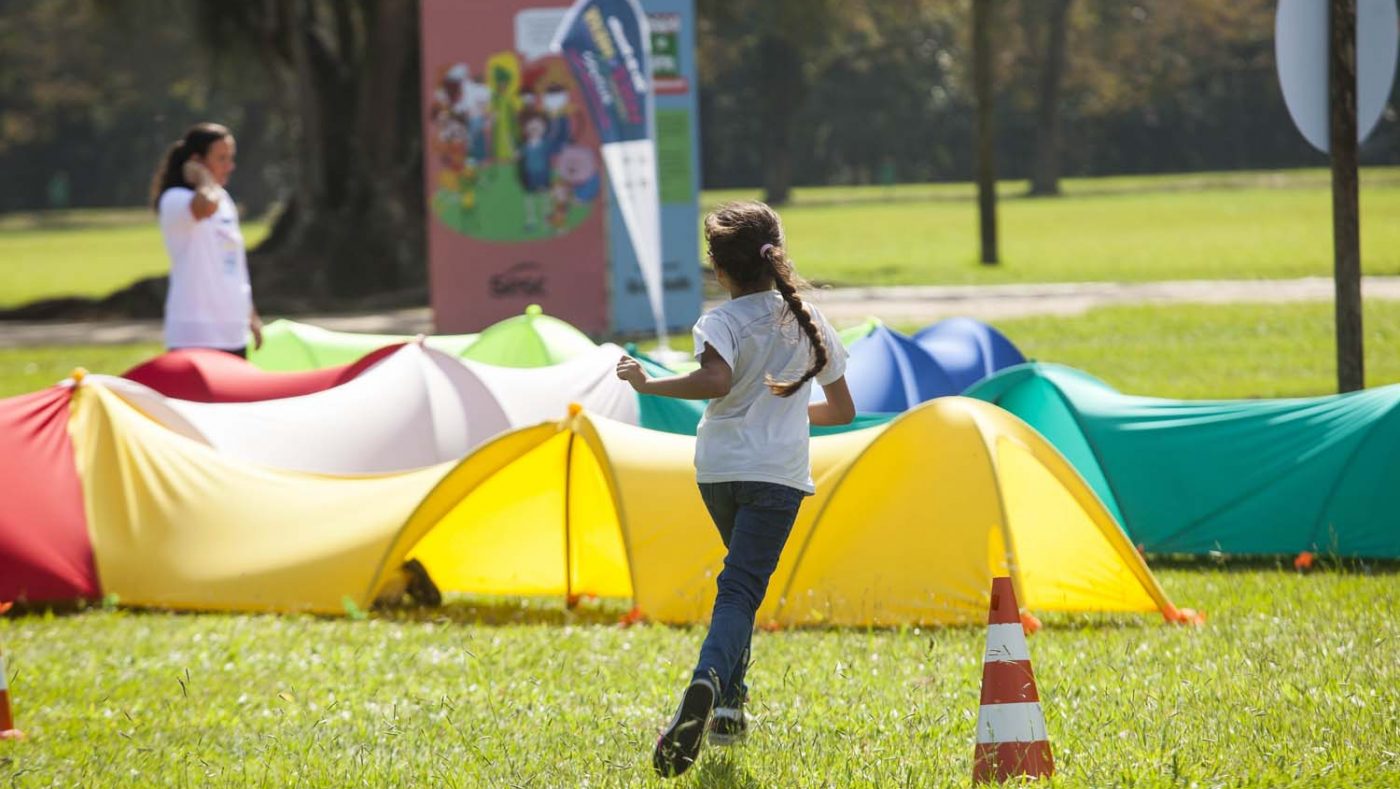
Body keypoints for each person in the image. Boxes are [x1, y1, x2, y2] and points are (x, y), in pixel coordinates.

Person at [615, 201, 856, 778]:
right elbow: (844, 410)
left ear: (719, 270)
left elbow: (717, 381)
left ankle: (726, 710)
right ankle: (707, 682)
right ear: (778, 257)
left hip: (719, 471)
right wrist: (791, 413)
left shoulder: (720, 321)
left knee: (739, 585)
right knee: (741, 589)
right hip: (777, 476)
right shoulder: (808, 319)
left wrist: (649, 383)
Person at [149, 122, 262, 357]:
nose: (229, 166)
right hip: (196, 334)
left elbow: (235, 264)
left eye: (230, 158)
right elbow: (205, 206)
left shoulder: (224, 200)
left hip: (233, 332)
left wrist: (249, 312)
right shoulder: (175, 200)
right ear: (196, 161)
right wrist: (201, 176)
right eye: (221, 158)